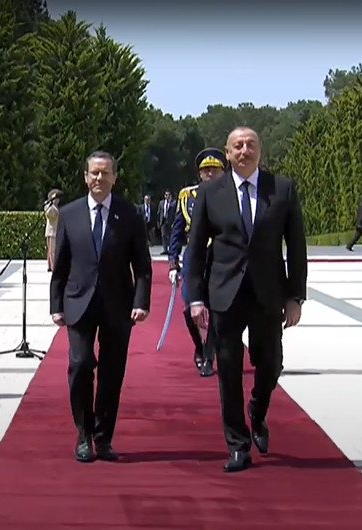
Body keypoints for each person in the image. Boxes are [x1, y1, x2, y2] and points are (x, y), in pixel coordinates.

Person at [185, 127, 307, 473]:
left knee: (271, 364)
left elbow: (296, 247)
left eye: (250, 144)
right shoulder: (211, 193)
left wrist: (295, 296)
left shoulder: (281, 190)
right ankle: (238, 445)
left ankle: (258, 408)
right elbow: (195, 249)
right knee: (228, 371)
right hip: (225, 294)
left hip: (268, 293)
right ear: (228, 153)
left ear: (260, 152)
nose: (244, 150)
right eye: (237, 146)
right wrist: (195, 297)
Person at [49, 150, 152, 463]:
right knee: (80, 365)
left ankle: (103, 437)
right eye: (94, 173)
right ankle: (83, 434)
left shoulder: (129, 214)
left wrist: (141, 302)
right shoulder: (69, 214)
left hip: (117, 305)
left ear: (114, 178)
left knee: (111, 373)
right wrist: (56, 305)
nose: (99, 178)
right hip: (78, 302)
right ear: (85, 176)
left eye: (105, 173)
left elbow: (143, 265)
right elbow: (61, 264)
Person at [168, 148, 226, 377]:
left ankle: (209, 357)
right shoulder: (187, 196)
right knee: (188, 309)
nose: (209, 174)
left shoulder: (230, 195)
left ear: (223, 171)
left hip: (220, 258)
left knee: (215, 310)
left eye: (214, 170)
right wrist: (173, 262)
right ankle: (199, 347)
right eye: (205, 170)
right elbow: (177, 230)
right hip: (195, 258)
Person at [44, 189, 60, 271]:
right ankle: (53, 267)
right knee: (51, 251)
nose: (57, 200)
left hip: (55, 231)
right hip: (51, 231)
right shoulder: (50, 207)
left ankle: (51, 266)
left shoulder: (56, 207)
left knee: (52, 250)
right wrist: (51, 203)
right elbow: (50, 214)